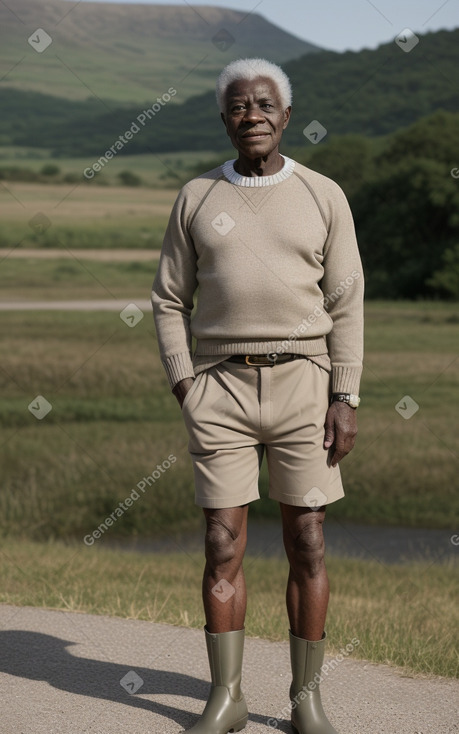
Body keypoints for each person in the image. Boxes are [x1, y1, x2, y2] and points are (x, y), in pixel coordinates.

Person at [152, 57, 364, 734]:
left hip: (305, 386)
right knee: (221, 543)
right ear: (224, 118)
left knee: (308, 540)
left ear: (286, 116)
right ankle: (228, 698)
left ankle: (306, 702)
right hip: (219, 388)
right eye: (239, 106)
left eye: (265, 105)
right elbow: (165, 301)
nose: (253, 115)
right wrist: (186, 382)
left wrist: (346, 394)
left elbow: (347, 302)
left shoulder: (323, 194)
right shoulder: (195, 197)